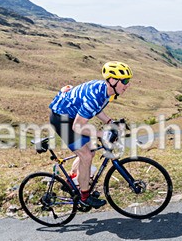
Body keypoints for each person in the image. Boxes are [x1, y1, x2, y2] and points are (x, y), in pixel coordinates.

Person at [48, 61, 132, 209]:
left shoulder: (106, 92)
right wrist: (102, 134)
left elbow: (97, 110)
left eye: (128, 81)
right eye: (124, 81)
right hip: (62, 119)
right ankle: (84, 196)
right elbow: (78, 126)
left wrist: (110, 121)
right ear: (112, 81)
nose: (127, 85)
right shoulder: (95, 96)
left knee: (91, 150)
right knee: (86, 156)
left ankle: (72, 182)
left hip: (72, 117)